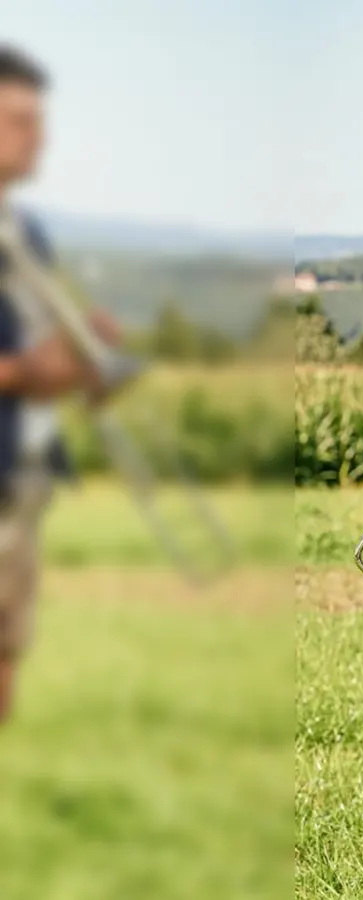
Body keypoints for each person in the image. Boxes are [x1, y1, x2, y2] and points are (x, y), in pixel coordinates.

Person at [0, 45, 114, 726]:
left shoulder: (26, 233)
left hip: (24, 469)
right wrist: (27, 371)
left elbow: (41, 351)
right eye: (19, 120)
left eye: (38, 121)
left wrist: (85, 358)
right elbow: (23, 365)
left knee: (6, 649)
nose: (38, 137)